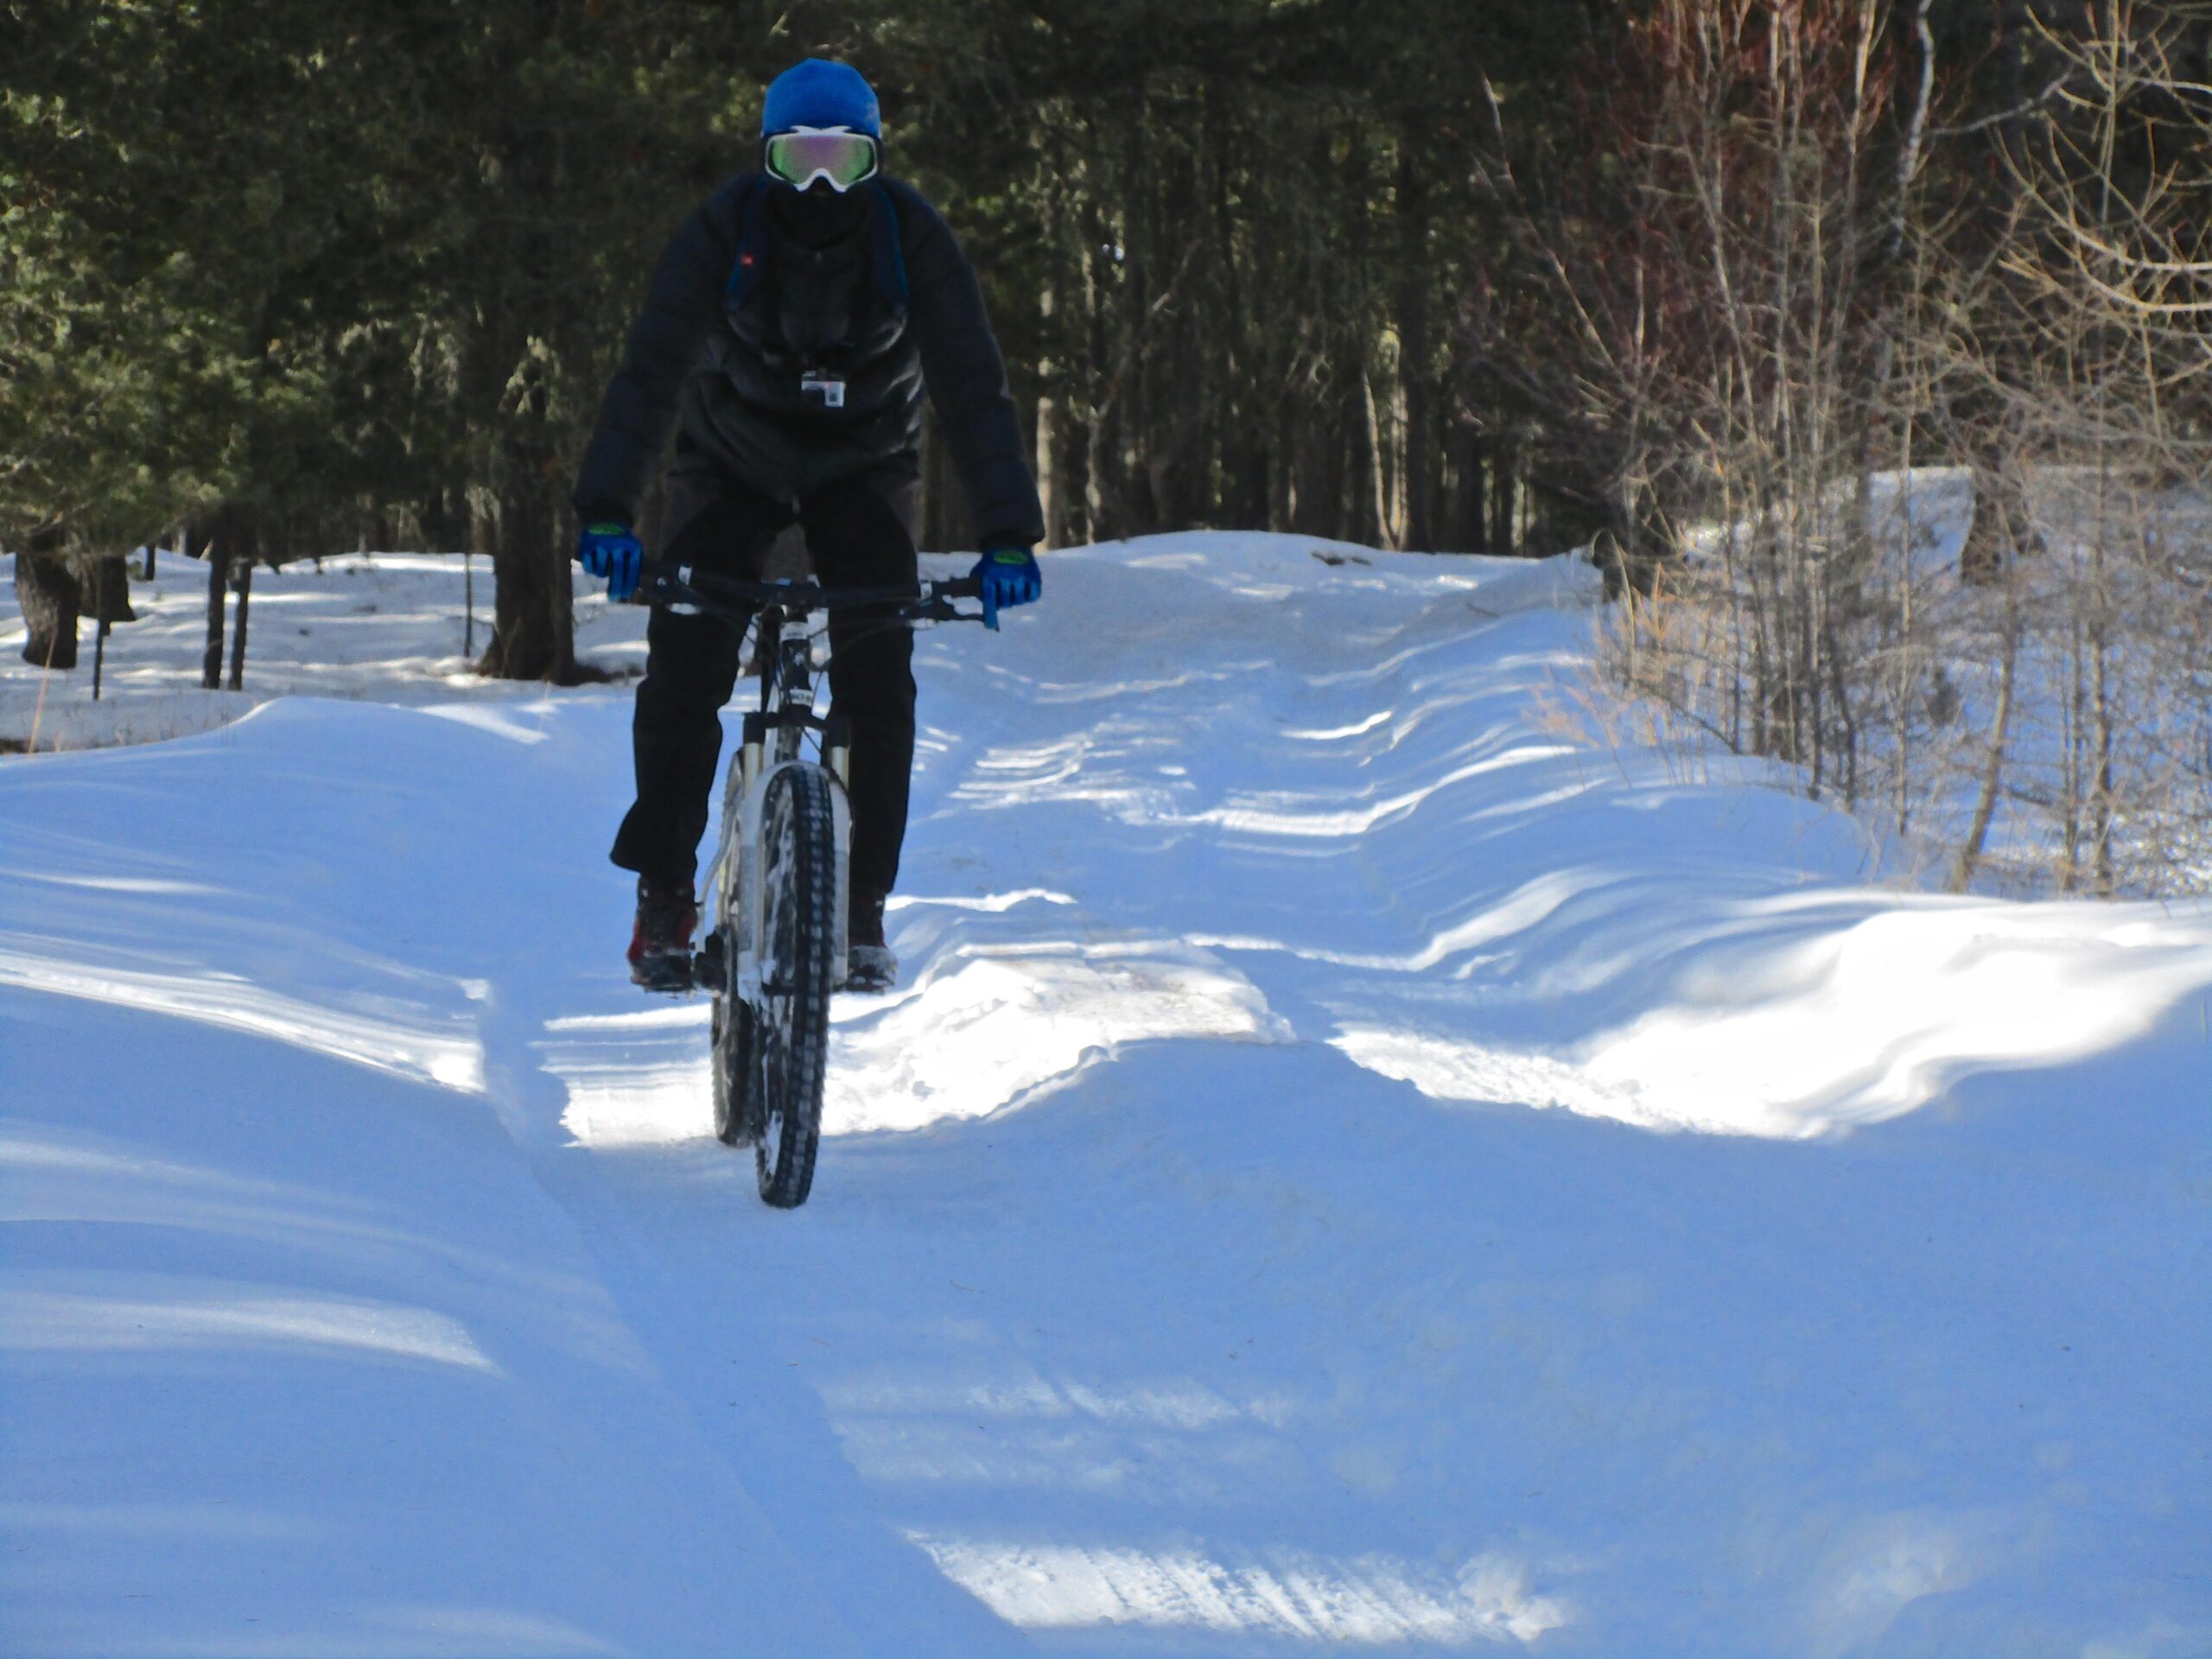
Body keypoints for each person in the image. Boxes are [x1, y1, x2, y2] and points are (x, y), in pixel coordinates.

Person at [571, 58, 1045, 995]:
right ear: (766, 160)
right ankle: (666, 893)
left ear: (875, 161)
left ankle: (859, 909)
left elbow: (970, 383)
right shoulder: (722, 229)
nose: (821, 183)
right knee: (685, 667)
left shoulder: (911, 235)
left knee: (878, 684)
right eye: (799, 161)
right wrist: (607, 512)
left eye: (844, 160)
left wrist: (1007, 536)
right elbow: (653, 367)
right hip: (729, 461)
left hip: (863, 465)